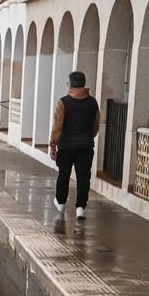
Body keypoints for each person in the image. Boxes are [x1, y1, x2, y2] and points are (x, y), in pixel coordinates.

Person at [48, 71, 101, 219]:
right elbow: (96, 125)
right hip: (85, 147)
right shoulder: (93, 102)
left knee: (64, 175)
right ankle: (80, 208)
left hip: (66, 147)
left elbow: (57, 126)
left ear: (70, 85)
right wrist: (87, 137)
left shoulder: (63, 102)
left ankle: (61, 203)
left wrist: (53, 145)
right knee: (84, 177)